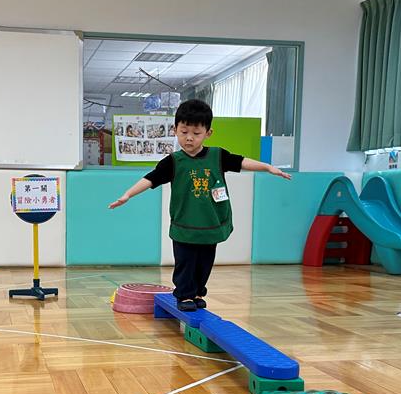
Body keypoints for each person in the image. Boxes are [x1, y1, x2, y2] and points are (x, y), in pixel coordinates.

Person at [109, 100, 291, 311]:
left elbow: (241, 161)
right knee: (185, 262)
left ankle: (197, 292)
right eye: (184, 132)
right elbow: (151, 178)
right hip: (185, 225)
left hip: (210, 224)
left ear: (208, 133)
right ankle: (184, 295)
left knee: (204, 263)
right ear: (175, 130)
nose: (189, 138)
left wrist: (267, 167)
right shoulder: (173, 161)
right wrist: (128, 195)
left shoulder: (217, 156)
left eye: (196, 133)